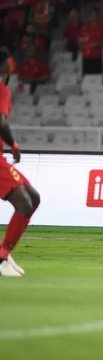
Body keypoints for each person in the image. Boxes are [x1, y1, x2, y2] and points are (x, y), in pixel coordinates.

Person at [0, 48, 41, 277]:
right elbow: (1, 123)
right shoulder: (2, 91)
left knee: (32, 199)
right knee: (26, 203)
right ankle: (2, 258)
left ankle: (4, 254)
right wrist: (14, 146)